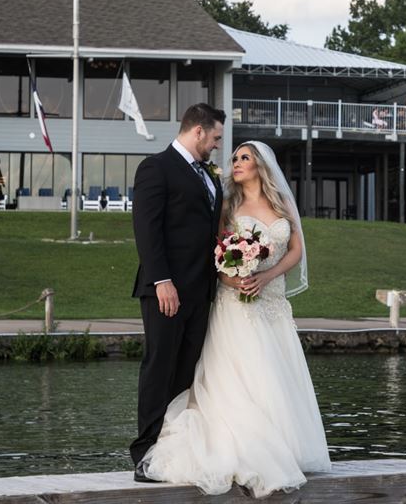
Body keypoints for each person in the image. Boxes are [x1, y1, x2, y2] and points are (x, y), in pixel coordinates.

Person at [137, 140, 331, 496]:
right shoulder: (229, 205)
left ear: (260, 166)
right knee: (243, 374)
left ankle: (285, 447)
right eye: (235, 158)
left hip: (271, 300)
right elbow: (215, 251)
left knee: (276, 375)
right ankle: (246, 448)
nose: (236, 162)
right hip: (236, 302)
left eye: (245, 158)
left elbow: (297, 249)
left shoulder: (281, 203)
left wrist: (268, 277)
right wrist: (233, 277)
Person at [130, 103, 225, 482]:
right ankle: (145, 454)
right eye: (216, 137)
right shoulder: (156, 167)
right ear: (198, 131)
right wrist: (161, 280)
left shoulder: (208, 175)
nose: (218, 144)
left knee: (186, 373)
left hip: (201, 292)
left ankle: (175, 450)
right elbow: (147, 229)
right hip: (166, 291)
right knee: (159, 367)